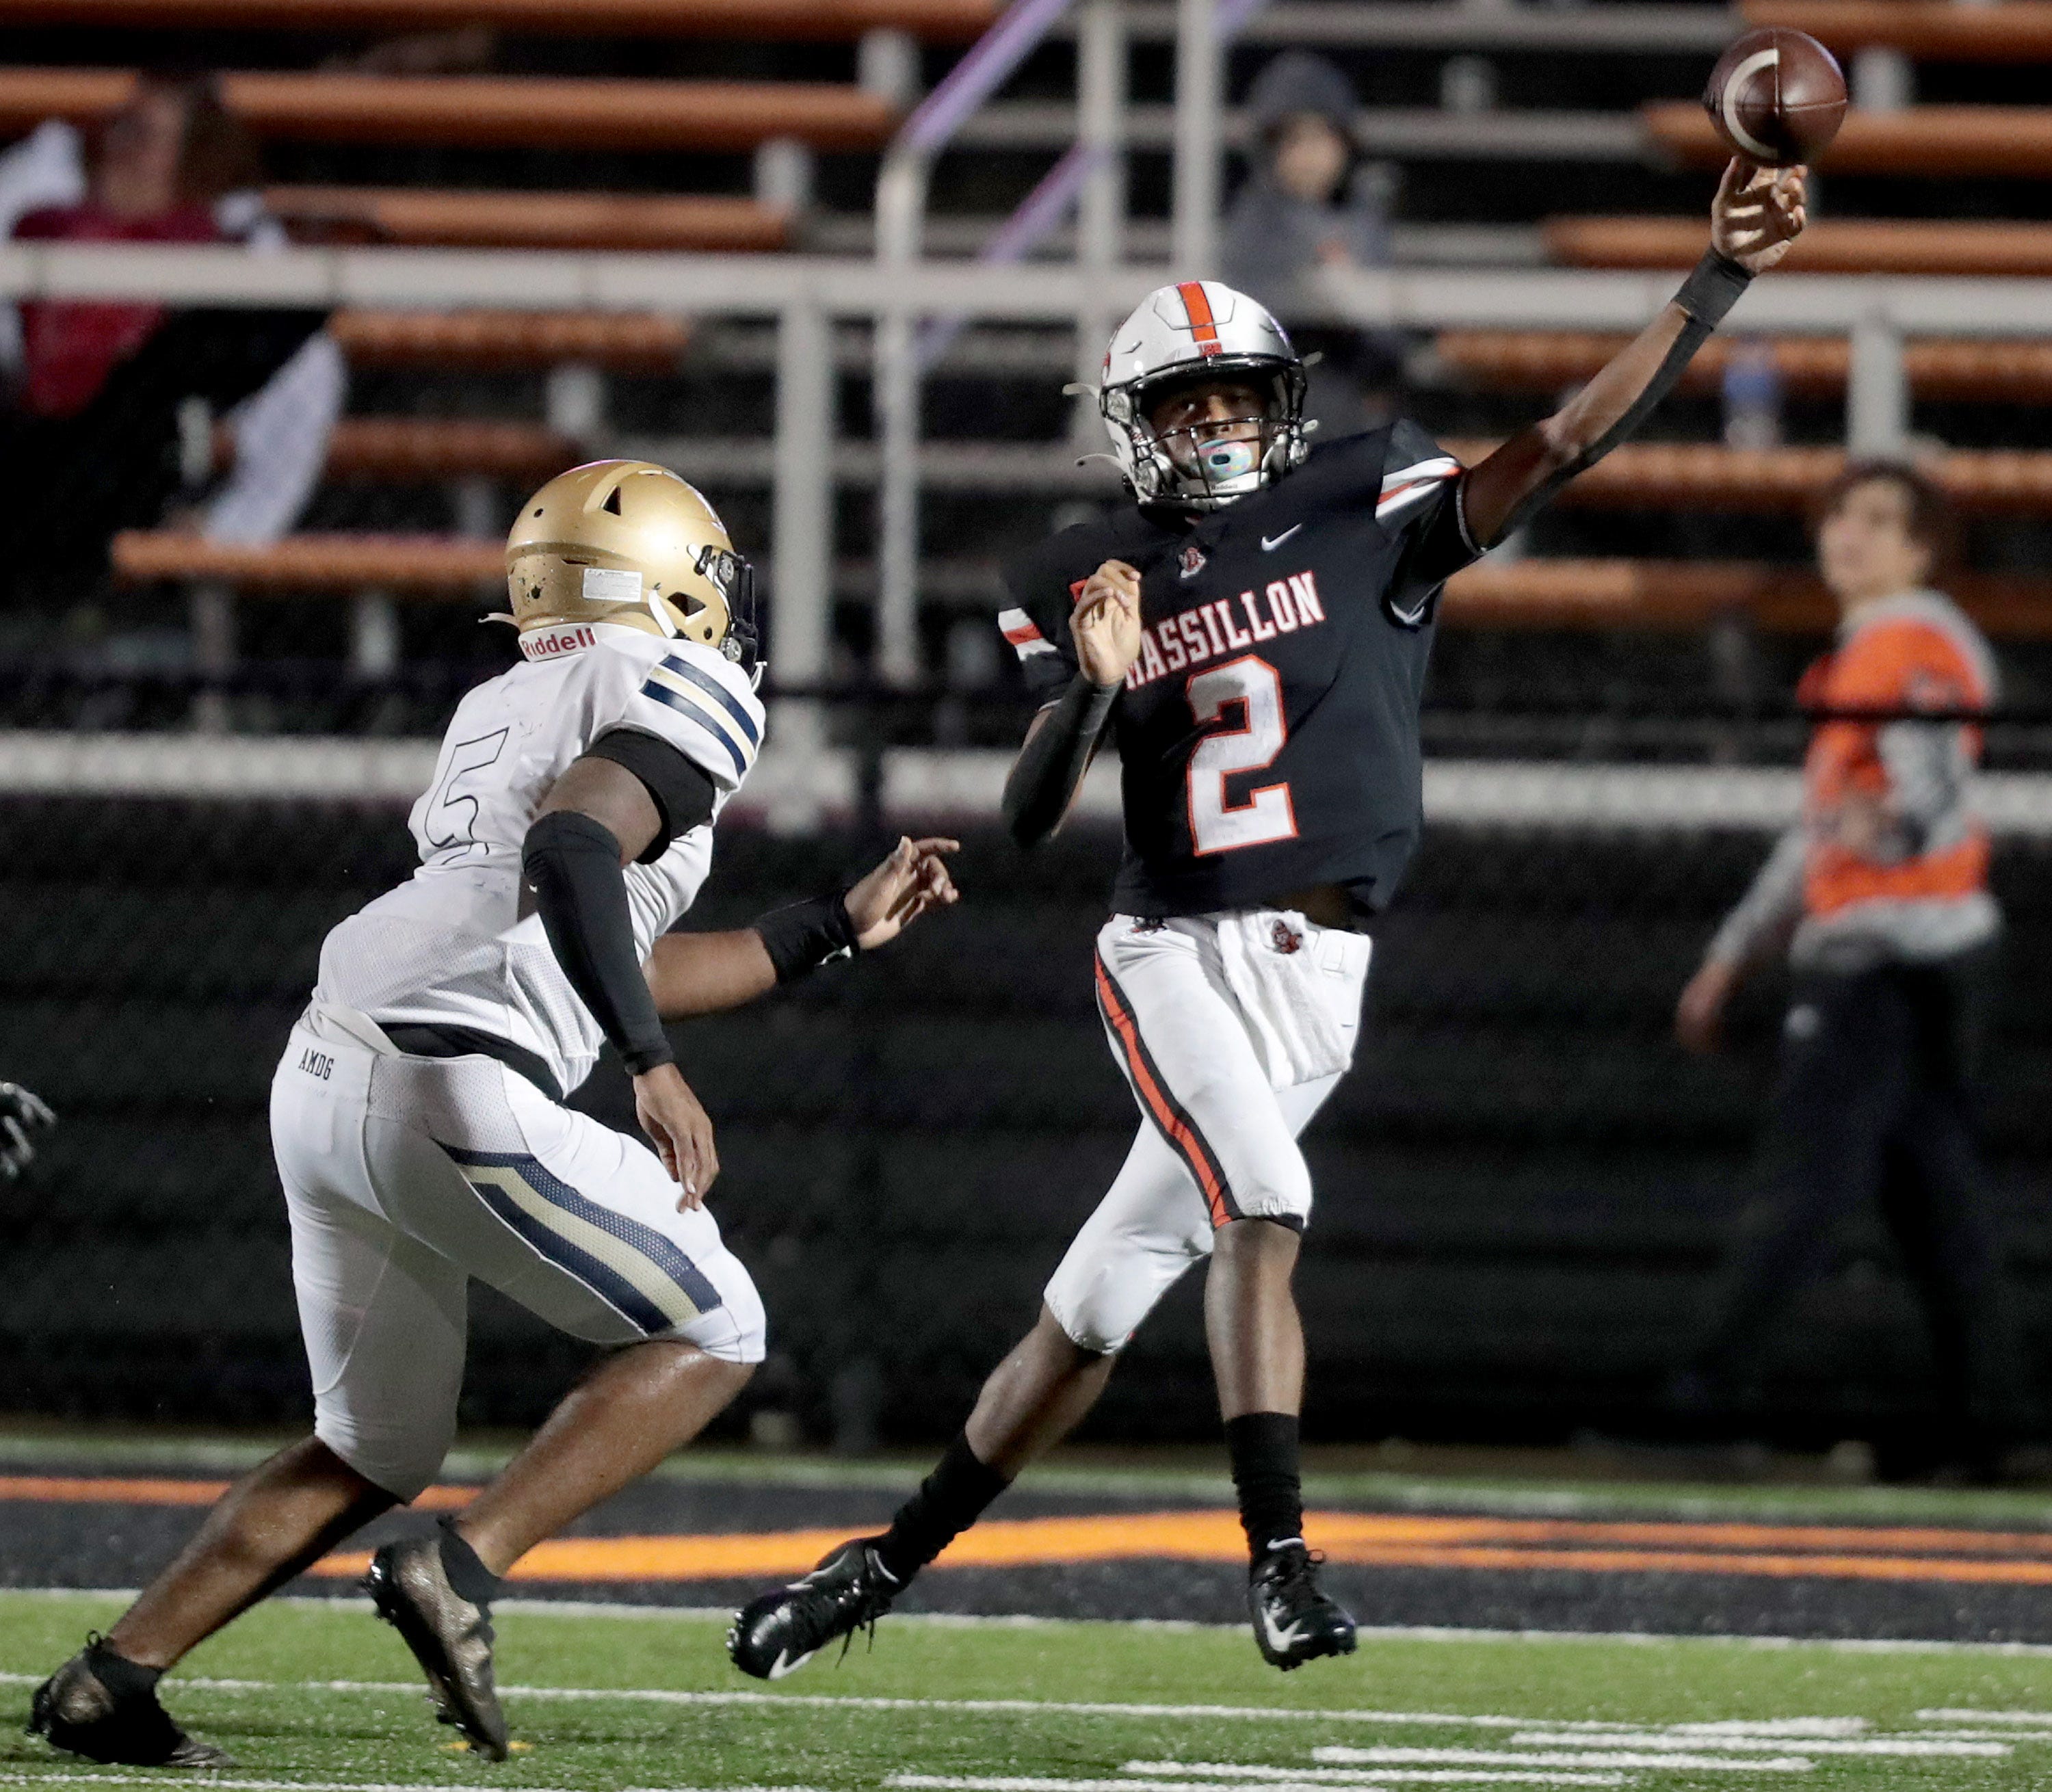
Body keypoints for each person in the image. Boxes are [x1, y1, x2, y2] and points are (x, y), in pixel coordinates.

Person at [728, 157, 1806, 1678]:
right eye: (1189, 405)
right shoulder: (1081, 577)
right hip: (1171, 946)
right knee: (1268, 1202)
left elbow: (1564, 439)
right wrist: (1097, 688)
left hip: (1324, 974)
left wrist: (1719, 278)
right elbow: (1035, 818)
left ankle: (873, 1567)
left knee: (1093, 1310)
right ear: (1135, 426)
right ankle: (1282, 1560)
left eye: (1240, 395)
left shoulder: (1370, 495)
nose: (1223, 422)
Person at [29, 460, 959, 1768]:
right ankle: (462, 1572)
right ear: (673, 585)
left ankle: (111, 1679)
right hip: (447, 1081)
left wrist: (828, 934)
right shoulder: (686, 680)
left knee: (373, 1440)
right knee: (721, 1322)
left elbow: (586, 929)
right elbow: (574, 855)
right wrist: (649, 1066)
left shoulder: (507, 695)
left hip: (327, 1068)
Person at [1670, 461, 2024, 1477]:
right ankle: (1989, 1420)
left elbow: (1926, 792)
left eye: (1878, 521)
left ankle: (1704, 1399)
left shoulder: (1907, 642)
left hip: (1888, 956)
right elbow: (1827, 830)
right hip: (1914, 951)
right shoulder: (1873, 648)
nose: (1850, 538)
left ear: (1921, 549)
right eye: (1840, 517)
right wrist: (1737, 951)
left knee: (1807, 1181)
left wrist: (1896, 828)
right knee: (1934, 1197)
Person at [0, 74, 343, 602]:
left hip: (138, 503)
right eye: (117, 128)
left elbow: (307, 384)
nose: (118, 148)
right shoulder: (41, 228)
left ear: (192, 162)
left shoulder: (220, 264)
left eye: (141, 135)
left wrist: (228, 532)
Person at [1220, 51, 1402, 432]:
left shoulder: (1364, 222)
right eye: (1294, 141)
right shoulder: (1254, 222)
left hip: (1353, 419)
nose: (1310, 156)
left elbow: (1391, 334)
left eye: (1323, 137)